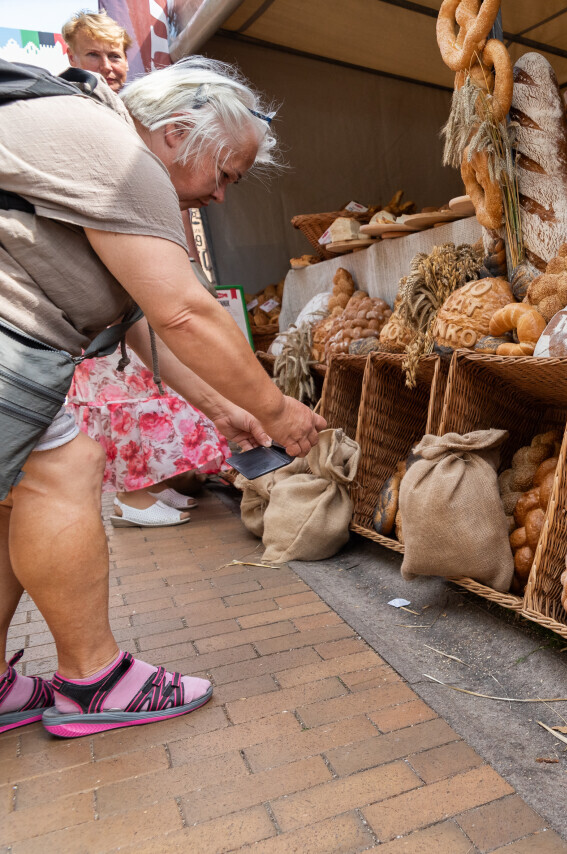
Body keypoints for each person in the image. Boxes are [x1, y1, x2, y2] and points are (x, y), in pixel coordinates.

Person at [0, 56, 324, 738]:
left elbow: (144, 321)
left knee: (17, 497)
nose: (221, 197)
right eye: (226, 174)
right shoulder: (124, 159)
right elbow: (183, 313)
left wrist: (225, 409)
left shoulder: (103, 145)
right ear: (176, 133)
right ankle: (94, 681)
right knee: (65, 471)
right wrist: (277, 410)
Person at [62, 11, 233, 528]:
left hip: (130, 287)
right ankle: (131, 497)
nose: (107, 65)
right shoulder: (83, 116)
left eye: (114, 55)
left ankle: (151, 485)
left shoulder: (132, 115)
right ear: (70, 55)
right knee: (122, 398)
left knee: (150, 387)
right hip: (96, 298)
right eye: (93, 55)